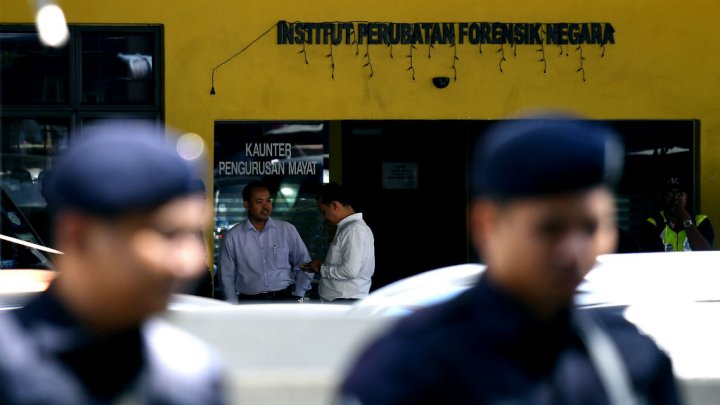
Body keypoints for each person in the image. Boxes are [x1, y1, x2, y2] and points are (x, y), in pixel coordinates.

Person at [338, 117, 680, 404]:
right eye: (550, 228)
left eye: (591, 227)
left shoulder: (629, 358)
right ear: (486, 224)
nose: (572, 251)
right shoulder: (410, 365)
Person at [0, 121, 225, 404]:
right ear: (79, 236)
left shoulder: (191, 374)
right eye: (167, 234)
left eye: (192, 235)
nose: (189, 262)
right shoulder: (9, 369)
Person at [219, 180, 312, 303]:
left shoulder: (287, 230)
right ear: (246, 204)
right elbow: (226, 277)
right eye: (259, 202)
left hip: (284, 299)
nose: (266, 206)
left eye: (268, 200)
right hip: (249, 303)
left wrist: (299, 294)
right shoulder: (233, 236)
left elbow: (304, 263)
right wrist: (233, 307)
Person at [302, 182, 375, 302]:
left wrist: (321, 268)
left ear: (335, 205)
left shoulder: (353, 230)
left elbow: (350, 271)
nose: (324, 217)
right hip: (342, 300)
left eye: (324, 211)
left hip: (345, 300)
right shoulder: (349, 228)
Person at [640, 176, 714, 252]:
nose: (675, 198)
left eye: (680, 194)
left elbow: (705, 251)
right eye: (670, 194)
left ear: (686, 197)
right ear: (663, 197)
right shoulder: (654, 223)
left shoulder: (700, 222)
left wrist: (686, 220)